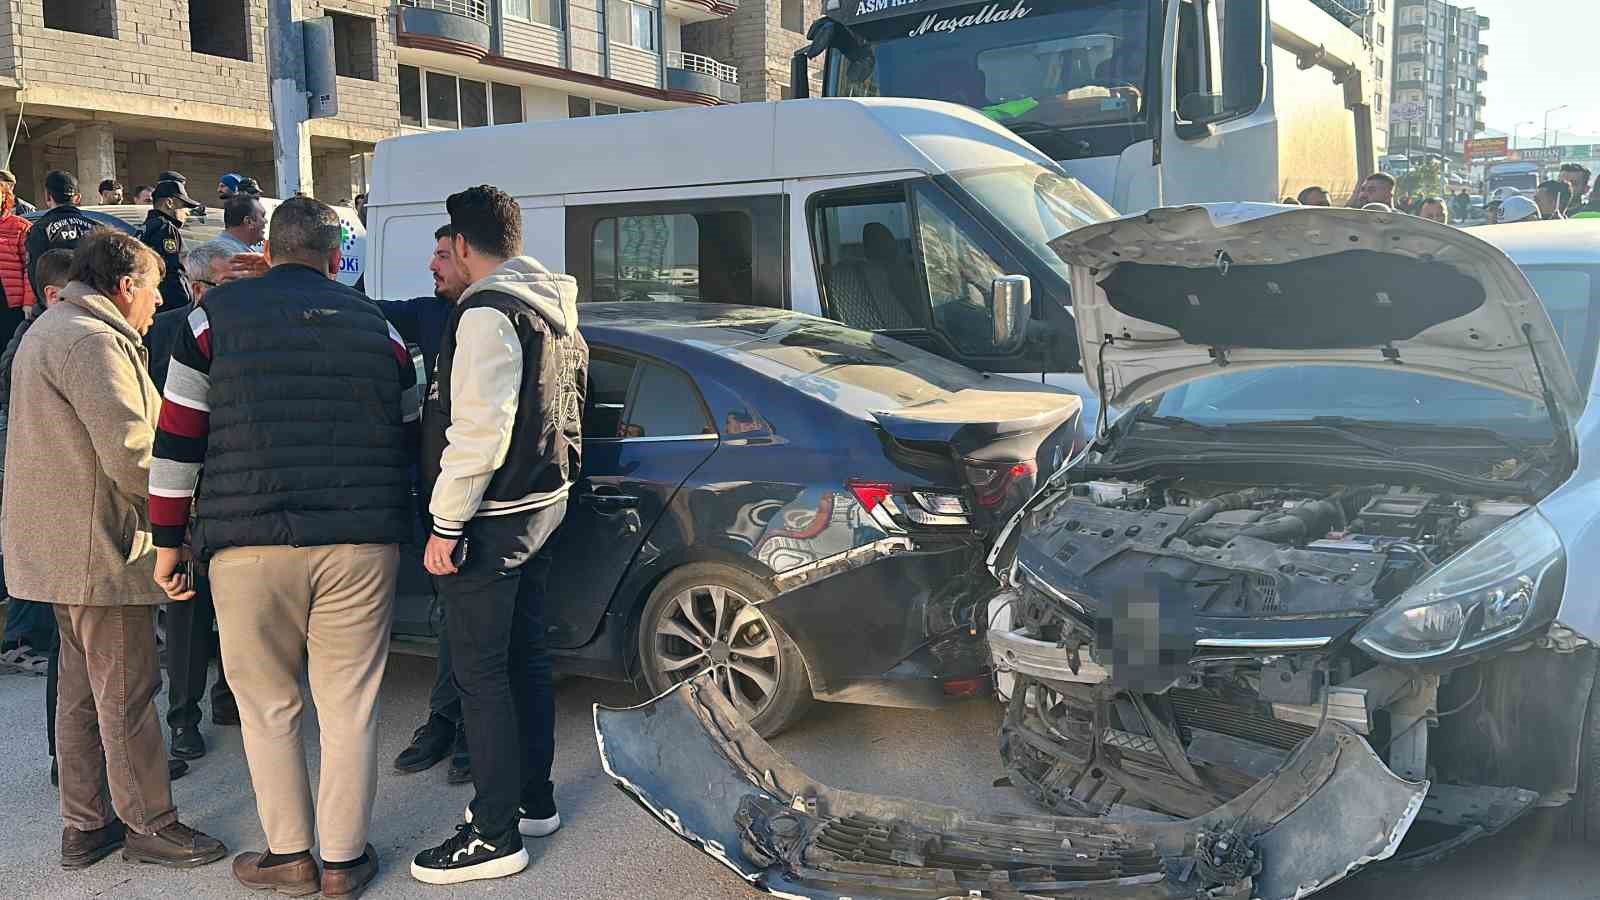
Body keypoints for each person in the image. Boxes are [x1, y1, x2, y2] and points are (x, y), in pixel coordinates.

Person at [150, 196, 421, 898]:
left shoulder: (210, 319)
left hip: (247, 543)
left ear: (267, 251)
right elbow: (409, 428)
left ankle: (290, 855)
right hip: (361, 540)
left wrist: (167, 542)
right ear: (337, 259)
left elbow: (177, 438)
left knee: (268, 705)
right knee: (350, 705)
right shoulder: (381, 327)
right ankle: (343, 861)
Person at [3, 230, 227, 870]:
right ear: (125, 286)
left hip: (63, 548)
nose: (160, 303)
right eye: (155, 289)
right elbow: (133, 454)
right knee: (126, 693)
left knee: (79, 696)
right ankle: (149, 824)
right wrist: (181, 515)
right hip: (98, 547)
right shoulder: (92, 340)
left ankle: (86, 825)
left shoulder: (56, 327)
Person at [410, 185, 587, 885]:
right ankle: (533, 801)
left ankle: (493, 834)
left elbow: (479, 430)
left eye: (441, 247)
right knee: (525, 662)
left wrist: (444, 524)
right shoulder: (552, 305)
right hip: (542, 507)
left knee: (479, 675)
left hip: (491, 517)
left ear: (461, 245)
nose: (436, 260)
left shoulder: (488, 314)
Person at [144, 242, 246, 763]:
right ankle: (183, 718)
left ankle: (228, 695)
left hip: (230, 488)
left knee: (234, 603)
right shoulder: (169, 328)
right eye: (228, 282)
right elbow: (162, 412)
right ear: (199, 287)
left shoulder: (251, 326)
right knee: (185, 606)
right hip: (188, 481)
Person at [392, 225, 472, 784]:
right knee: (451, 619)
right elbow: (357, 309)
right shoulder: (428, 314)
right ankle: (445, 721)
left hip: (483, 506)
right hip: (438, 502)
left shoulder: (504, 317)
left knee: (477, 627)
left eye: (443, 254)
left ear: (469, 255)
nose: (432, 264)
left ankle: (470, 730)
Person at [25, 171, 99, 304]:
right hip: (93, 303)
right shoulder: (97, 228)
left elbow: (36, 275)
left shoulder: (41, 229)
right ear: (77, 198)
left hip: (57, 304)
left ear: (48, 196)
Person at [139, 180, 201, 311]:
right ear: (169, 203)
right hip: (171, 308)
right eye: (184, 206)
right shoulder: (165, 228)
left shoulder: (147, 227)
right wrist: (188, 304)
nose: (187, 212)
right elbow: (173, 272)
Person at [0, 170, 33, 354]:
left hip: (10, 304)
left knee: (10, 352)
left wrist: (28, 301)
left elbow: (30, 267)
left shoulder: (20, 227)